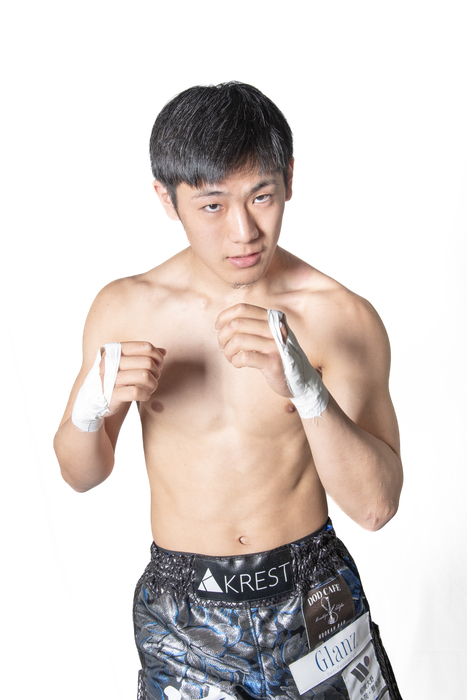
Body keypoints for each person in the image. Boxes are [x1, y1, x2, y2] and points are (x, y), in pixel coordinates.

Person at [54, 82, 403, 700]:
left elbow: (375, 507)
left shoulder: (338, 316)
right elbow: (82, 476)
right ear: (167, 199)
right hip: (183, 619)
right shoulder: (127, 308)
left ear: (289, 179)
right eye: (212, 205)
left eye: (261, 196)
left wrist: (307, 393)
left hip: (313, 598)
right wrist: (88, 413)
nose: (244, 231)